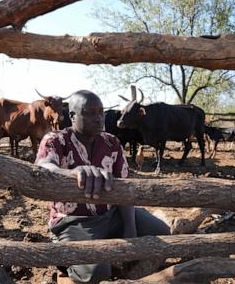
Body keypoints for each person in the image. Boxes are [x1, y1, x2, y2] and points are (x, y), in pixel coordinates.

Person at [35, 90, 170, 283]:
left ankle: (119, 267)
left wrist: (130, 230)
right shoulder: (56, 140)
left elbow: (125, 190)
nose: (98, 118)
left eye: (101, 112)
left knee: (162, 233)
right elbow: (44, 167)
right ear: (72, 116)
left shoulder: (112, 142)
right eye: (90, 113)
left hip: (111, 213)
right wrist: (71, 173)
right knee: (96, 273)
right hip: (74, 221)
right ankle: (65, 271)